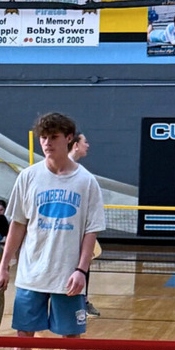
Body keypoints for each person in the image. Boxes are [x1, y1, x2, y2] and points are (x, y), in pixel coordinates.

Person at [0, 111, 105, 350]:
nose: (47, 143)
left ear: (68, 138)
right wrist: (4, 267)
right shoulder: (28, 177)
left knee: (72, 339)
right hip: (31, 276)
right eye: (43, 137)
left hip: (67, 278)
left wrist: (82, 270)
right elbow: (17, 225)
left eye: (53, 137)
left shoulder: (86, 182)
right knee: (23, 336)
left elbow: (90, 231)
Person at [69, 131, 100, 316]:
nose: (88, 145)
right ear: (75, 145)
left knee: (83, 264)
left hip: (79, 233)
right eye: (85, 142)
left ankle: (83, 300)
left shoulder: (84, 177)